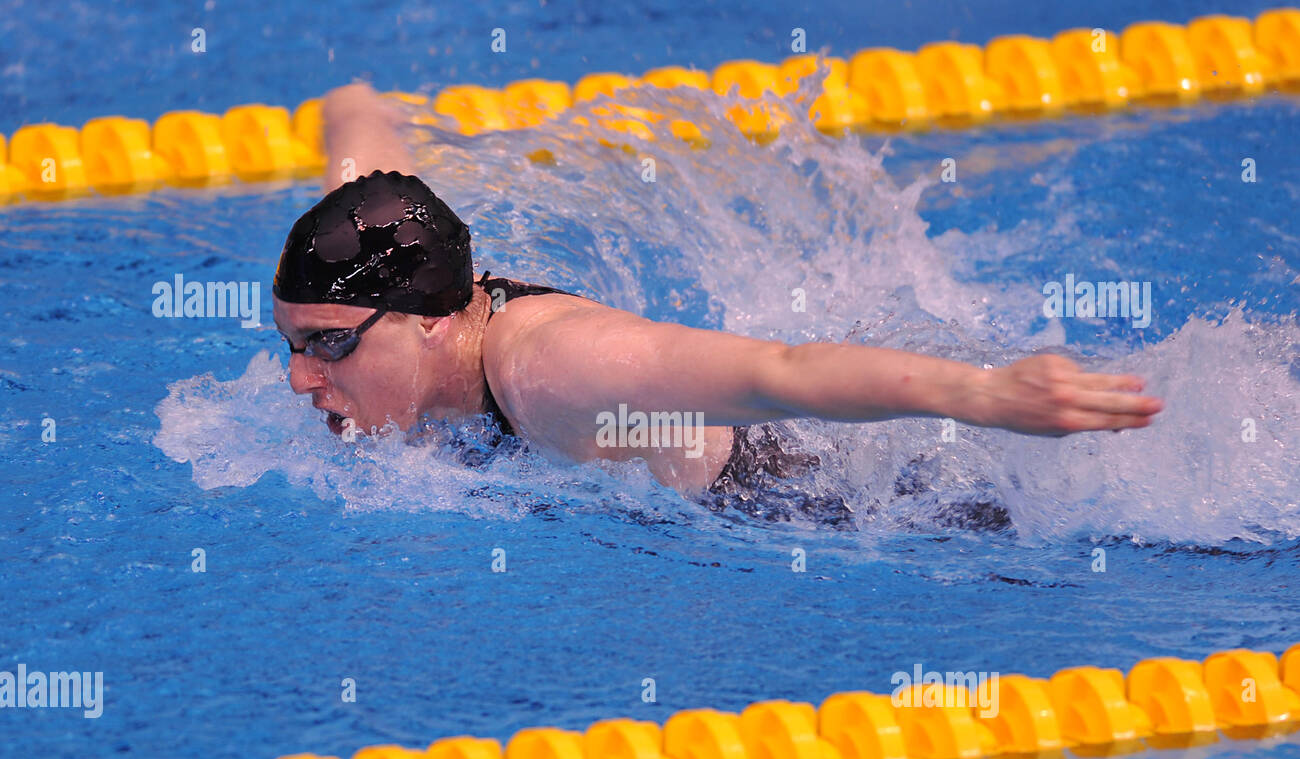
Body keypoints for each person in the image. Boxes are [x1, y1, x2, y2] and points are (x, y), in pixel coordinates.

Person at [272, 83, 1163, 505]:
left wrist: (989, 393)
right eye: (293, 342)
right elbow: (361, 163)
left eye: (329, 345)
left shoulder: (554, 370)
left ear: (430, 325)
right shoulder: (405, 285)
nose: (300, 380)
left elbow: (780, 372)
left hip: (836, 499)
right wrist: (350, 102)